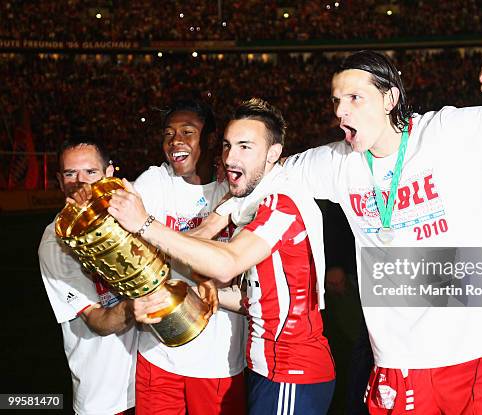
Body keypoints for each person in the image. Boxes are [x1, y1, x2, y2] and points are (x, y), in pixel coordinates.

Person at [279, 51, 482, 414]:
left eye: (354, 98)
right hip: (400, 364)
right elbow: (268, 173)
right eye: (336, 101)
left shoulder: (448, 133)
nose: (340, 112)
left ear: (390, 98)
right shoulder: (336, 162)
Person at [107, 98, 336, 415]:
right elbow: (246, 285)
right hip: (265, 367)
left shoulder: (281, 203)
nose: (231, 157)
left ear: (273, 154)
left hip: (290, 368)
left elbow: (227, 263)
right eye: (229, 147)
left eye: (245, 147)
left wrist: (145, 224)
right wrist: (203, 288)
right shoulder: (245, 198)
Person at [130, 98, 247, 415]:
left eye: (187, 131)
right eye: (168, 133)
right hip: (158, 354)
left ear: (210, 139)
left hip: (218, 361)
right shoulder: (156, 182)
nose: (175, 141)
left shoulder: (235, 188)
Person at [39, 137, 138, 415]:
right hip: (105, 400)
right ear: (60, 180)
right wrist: (142, 301)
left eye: (90, 173)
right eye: (71, 174)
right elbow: (99, 321)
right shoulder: (55, 242)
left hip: (150, 383)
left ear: (109, 173)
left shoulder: (129, 215)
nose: (80, 182)